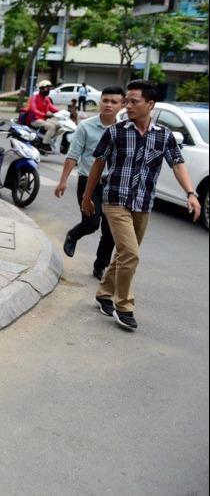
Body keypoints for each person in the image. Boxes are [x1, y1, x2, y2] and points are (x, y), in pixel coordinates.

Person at [82, 80, 201, 331]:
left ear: (150, 104)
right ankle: (124, 306)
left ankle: (104, 293)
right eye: (127, 101)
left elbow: (178, 164)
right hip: (114, 199)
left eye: (134, 101)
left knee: (124, 255)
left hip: (144, 203)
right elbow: (98, 164)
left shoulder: (164, 136)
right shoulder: (115, 132)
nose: (128, 105)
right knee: (131, 254)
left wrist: (191, 193)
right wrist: (87, 196)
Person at [55, 86, 125, 281]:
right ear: (100, 102)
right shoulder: (86, 127)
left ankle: (100, 265)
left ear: (121, 105)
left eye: (114, 102)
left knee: (110, 230)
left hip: (113, 185)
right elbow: (72, 156)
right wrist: (62, 182)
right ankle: (73, 235)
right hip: (88, 183)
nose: (109, 105)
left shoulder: (123, 130)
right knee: (92, 223)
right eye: (106, 100)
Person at [26, 79, 60, 149]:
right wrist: (45, 114)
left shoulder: (46, 99)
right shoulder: (34, 98)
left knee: (59, 125)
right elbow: (34, 110)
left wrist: (61, 112)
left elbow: (52, 107)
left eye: (49, 89)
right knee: (51, 127)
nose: (48, 90)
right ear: (41, 89)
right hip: (34, 119)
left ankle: (49, 139)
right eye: (47, 88)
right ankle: (44, 144)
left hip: (43, 119)